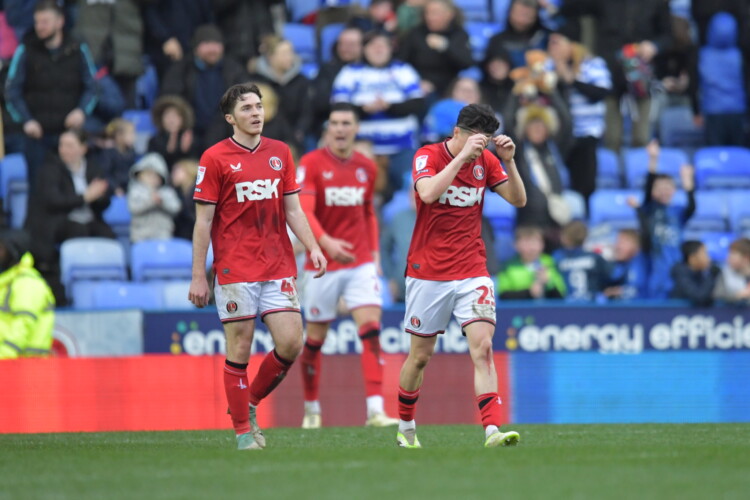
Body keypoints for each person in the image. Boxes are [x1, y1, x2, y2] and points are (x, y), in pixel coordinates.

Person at [188, 83, 327, 451]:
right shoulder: (214, 158)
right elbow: (203, 222)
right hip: (235, 268)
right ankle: (243, 432)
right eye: (247, 108)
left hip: (278, 264)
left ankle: (248, 402)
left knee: (291, 343)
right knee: (240, 347)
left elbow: (293, 209)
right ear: (230, 118)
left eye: (259, 106)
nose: (256, 113)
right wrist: (199, 274)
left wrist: (313, 246)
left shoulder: (280, 152)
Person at [396, 103, 526, 449]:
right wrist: (461, 158)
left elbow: (518, 200)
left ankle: (492, 430)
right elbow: (427, 193)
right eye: (475, 139)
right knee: (420, 356)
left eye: (485, 141)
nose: (480, 147)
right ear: (457, 133)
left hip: (472, 269)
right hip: (428, 272)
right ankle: (406, 427)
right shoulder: (428, 155)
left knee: (483, 347)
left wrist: (510, 162)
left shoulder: (488, 160)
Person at [296, 102, 398, 429]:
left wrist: (375, 253)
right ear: (328, 128)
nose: (340, 129)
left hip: (359, 262)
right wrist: (327, 244)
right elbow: (305, 211)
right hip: (322, 263)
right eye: (335, 123)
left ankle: (375, 411)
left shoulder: (366, 167)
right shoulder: (311, 163)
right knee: (315, 340)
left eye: (346, 123)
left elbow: (368, 212)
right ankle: (311, 408)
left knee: (371, 330)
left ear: (355, 129)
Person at [5, 0, 98, 189]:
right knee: (38, 189)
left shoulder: (77, 48)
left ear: (60, 21)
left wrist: (81, 111)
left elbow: (93, 87)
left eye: (45, 22)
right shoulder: (26, 49)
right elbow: (11, 91)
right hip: (37, 137)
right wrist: (27, 121)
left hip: (68, 134)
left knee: (71, 190)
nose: (40, 27)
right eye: (37, 22)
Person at [332, 30, 425, 198]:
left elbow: (417, 103)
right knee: (364, 196)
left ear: (390, 49)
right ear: (364, 49)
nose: (378, 50)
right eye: (373, 46)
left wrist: (389, 107)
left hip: (402, 148)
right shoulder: (350, 72)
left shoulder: (403, 70)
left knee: (408, 194)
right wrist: (363, 110)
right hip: (363, 148)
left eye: (382, 46)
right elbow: (338, 105)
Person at [25, 129, 113, 303]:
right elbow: (53, 201)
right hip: (56, 222)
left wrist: (100, 196)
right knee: (77, 230)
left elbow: (103, 203)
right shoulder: (49, 168)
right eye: (62, 145)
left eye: (70, 145)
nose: (64, 150)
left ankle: (108, 287)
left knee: (108, 235)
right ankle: (71, 289)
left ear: (83, 148)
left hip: (89, 220)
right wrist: (85, 197)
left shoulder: (93, 167)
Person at [547, 26, 611, 207]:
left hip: (585, 134)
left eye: (557, 42)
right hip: (558, 136)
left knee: (584, 184)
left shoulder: (592, 64)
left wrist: (572, 80)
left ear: (571, 45)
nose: (552, 47)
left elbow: (600, 93)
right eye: (550, 43)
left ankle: (582, 217)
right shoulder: (547, 65)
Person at [161, 24, 249, 152]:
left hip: (226, 134)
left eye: (217, 44)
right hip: (191, 135)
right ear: (196, 48)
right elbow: (171, 99)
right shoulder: (181, 70)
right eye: (207, 44)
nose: (213, 49)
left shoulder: (234, 70)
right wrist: (182, 126)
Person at [629, 140, 695, 299]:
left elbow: (692, 207)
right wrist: (653, 159)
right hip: (654, 267)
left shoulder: (678, 212)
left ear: (674, 190)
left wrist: (688, 183)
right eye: (659, 188)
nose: (664, 191)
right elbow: (648, 185)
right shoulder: (650, 209)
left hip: (675, 266)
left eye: (668, 187)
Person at [690, 12, 748, 146]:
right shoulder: (739, 56)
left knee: (715, 154)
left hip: (713, 112)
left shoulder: (703, 56)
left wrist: (696, 111)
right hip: (737, 111)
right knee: (738, 153)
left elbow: (694, 86)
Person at [397, 0, 473, 98]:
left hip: (448, 87)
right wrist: (415, 82)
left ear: (449, 15)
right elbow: (401, 61)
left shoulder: (459, 34)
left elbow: (466, 63)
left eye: (435, 13)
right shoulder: (416, 33)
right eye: (427, 13)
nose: (430, 17)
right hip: (417, 85)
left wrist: (445, 47)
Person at [0, 230, 56, 359]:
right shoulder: (7, 282)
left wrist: (3, 355)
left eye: (1, 249)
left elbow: (23, 324)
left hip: (26, 364)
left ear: (13, 253)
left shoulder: (27, 283)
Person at [497, 225, 566, 300]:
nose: (532, 247)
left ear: (542, 244)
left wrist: (548, 283)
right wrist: (529, 292)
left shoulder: (550, 262)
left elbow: (561, 296)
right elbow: (503, 295)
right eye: (526, 243)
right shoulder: (508, 267)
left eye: (535, 242)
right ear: (516, 245)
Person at [127, 153, 182, 243]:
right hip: (140, 237)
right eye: (148, 174)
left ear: (162, 178)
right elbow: (133, 208)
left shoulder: (167, 192)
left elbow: (176, 208)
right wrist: (151, 201)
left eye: (156, 176)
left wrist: (162, 202)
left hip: (163, 235)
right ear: (140, 175)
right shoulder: (135, 191)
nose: (152, 178)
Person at [553, 220, 609, 301]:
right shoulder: (595, 258)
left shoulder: (558, 257)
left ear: (565, 237)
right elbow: (610, 277)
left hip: (566, 304)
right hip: (592, 304)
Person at [148, 95, 202, 171]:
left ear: (183, 118)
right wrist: (169, 152)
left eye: (175, 116)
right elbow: (152, 164)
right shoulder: (154, 141)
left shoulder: (191, 139)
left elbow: (197, 165)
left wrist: (185, 151)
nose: (171, 120)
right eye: (167, 116)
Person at [670, 240, 720, 307]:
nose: (709, 258)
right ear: (692, 258)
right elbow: (699, 297)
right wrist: (711, 274)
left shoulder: (700, 273)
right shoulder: (680, 273)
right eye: (705, 253)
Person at [604, 229, 649, 301]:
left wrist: (617, 292)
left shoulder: (642, 264)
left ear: (635, 246)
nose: (617, 246)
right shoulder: (619, 265)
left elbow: (639, 292)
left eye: (622, 243)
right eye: (617, 242)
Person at [98, 118, 137, 196]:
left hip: (129, 187)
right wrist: (115, 188)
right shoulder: (109, 153)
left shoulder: (132, 151)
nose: (134, 136)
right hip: (113, 190)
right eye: (130, 133)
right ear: (119, 136)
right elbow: (105, 174)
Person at [713, 237, 750, 305]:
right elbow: (718, 295)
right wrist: (738, 295)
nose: (728, 258)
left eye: (733, 254)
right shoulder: (725, 273)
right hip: (732, 309)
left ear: (746, 257)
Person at [171, 159, 199, 241]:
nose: (173, 175)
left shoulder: (197, 191)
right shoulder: (176, 192)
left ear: (188, 172)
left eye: (177, 172)